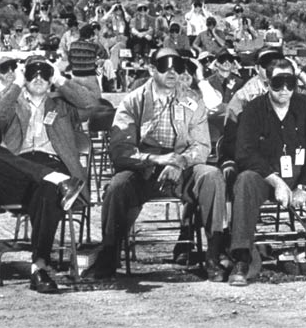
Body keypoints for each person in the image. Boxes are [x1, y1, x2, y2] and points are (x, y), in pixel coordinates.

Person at [82, 48, 227, 281]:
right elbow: (120, 150)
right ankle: (109, 254)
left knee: (212, 175)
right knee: (117, 186)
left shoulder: (192, 100)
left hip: (182, 165)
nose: (172, 72)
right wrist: (155, 159)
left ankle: (213, 254)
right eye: (164, 65)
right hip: (144, 168)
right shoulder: (133, 101)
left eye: (177, 67)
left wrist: (180, 161)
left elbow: (201, 145)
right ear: (151, 69)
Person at [227, 59, 306, 285]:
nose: (285, 89)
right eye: (278, 83)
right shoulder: (253, 109)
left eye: (290, 83)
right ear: (266, 83)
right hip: (265, 177)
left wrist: (303, 187)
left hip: (301, 177)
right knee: (244, 181)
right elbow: (245, 153)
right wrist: (276, 182)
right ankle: (242, 257)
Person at [0, 56, 94, 293]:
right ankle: (56, 180)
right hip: (17, 170)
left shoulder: (62, 105)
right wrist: (18, 82)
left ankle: (39, 267)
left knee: (46, 190)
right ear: (24, 76)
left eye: (44, 73)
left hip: (53, 167)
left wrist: (60, 78)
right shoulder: (13, 101)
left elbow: (89, 102)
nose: (38, 78)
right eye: (33, 73)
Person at [67, 23, 108, 98]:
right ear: (91, 35)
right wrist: (98, 42)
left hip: (76, 76)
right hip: (89, 76)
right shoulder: (93, 46)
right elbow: (105, 56)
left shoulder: (72, 45)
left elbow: (70, 60)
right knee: (98, 100)